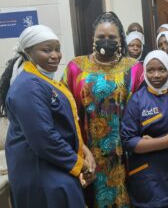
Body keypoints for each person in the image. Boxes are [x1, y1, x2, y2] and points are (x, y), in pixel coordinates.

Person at [0, 25, 95, 208]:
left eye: (57, 49)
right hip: (42, 178)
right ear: (28, 52)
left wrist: (84, 151)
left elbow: (62, 125)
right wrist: (80, 164)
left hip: (57, 169)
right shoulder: (28, 87)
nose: (55, 55)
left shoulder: (43, 81)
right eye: (46, 50)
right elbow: (44, 138)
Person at [62, 12, 144, 208]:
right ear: (93, 39)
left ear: (120, 40)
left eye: (111, 38)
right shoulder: (75, 67)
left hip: (123, 153)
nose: (105, 41)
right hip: (87, 151)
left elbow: (142, 107)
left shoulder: (133, 68)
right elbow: (64, 109)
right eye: (101, 37)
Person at [121, 50, 168, 208]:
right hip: (148, 179)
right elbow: (129, 141)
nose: (156, 75)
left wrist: (151, 142)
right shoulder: (137, 100)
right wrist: (166, 141)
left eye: (162, 69)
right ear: (145, 72)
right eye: (150, 70)